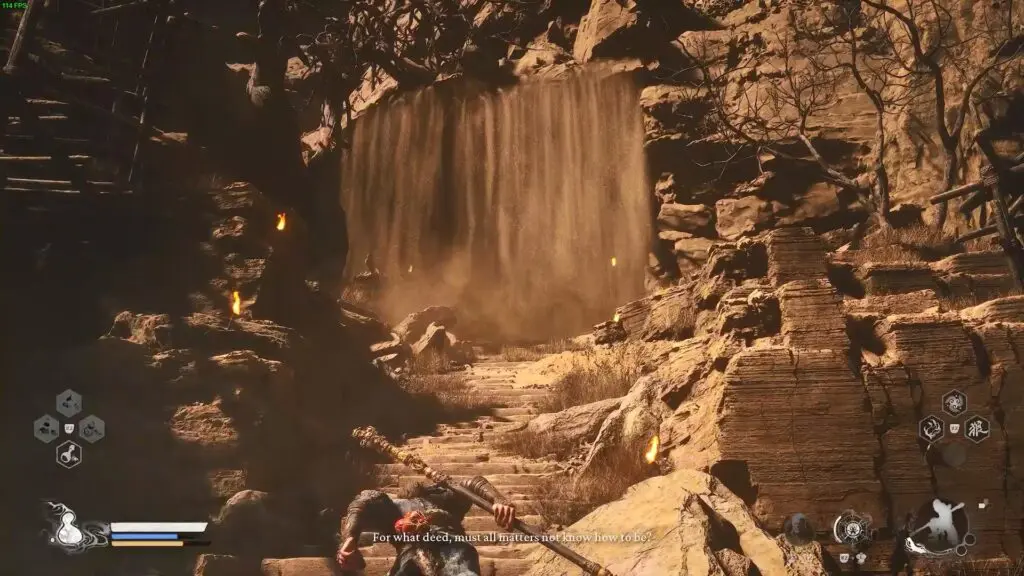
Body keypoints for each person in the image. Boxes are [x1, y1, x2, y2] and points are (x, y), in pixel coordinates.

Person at [336, 476, 517, 575]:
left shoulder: (442, 499)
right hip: (424, 549)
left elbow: (472, 484)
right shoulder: (395, 507)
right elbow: (365, 499)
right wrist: (350, 538)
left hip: (448, 545)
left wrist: (498, 500)